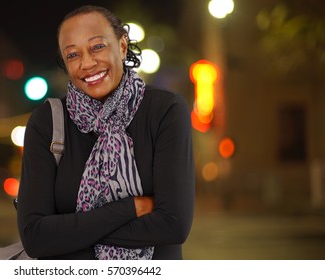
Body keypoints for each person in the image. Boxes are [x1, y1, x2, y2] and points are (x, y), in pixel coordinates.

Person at [17, 5, 195, 260]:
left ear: (122, 46)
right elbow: (35, 237)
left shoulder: (165, 111)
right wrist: (130, 208)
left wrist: (69, 232)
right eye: (72, 55)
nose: (87, 63)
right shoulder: (46, 122)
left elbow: (174, 225)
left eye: (97, 46)